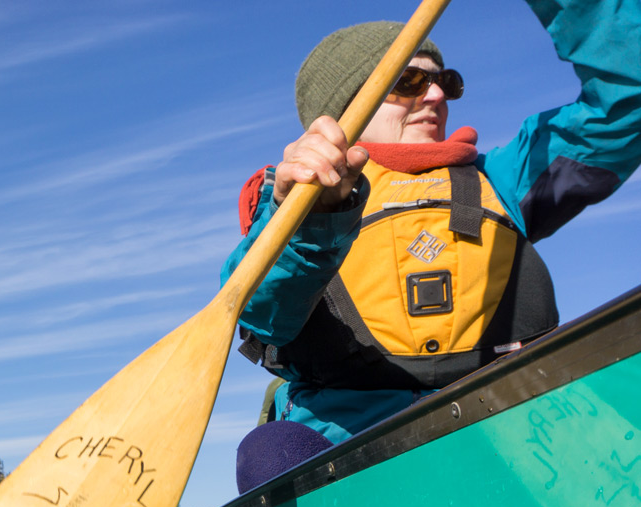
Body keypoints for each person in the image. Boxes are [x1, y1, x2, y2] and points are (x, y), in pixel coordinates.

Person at [227, 0, 641, 478]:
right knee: (268, 454)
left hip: (508, 424)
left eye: (446, 81)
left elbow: (628, 100)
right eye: (408, 82)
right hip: (350, 451)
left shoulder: (504, 180)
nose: (437, 95)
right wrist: (314, 217)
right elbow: (258, 312)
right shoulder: (290, 200)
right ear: (342, 111)